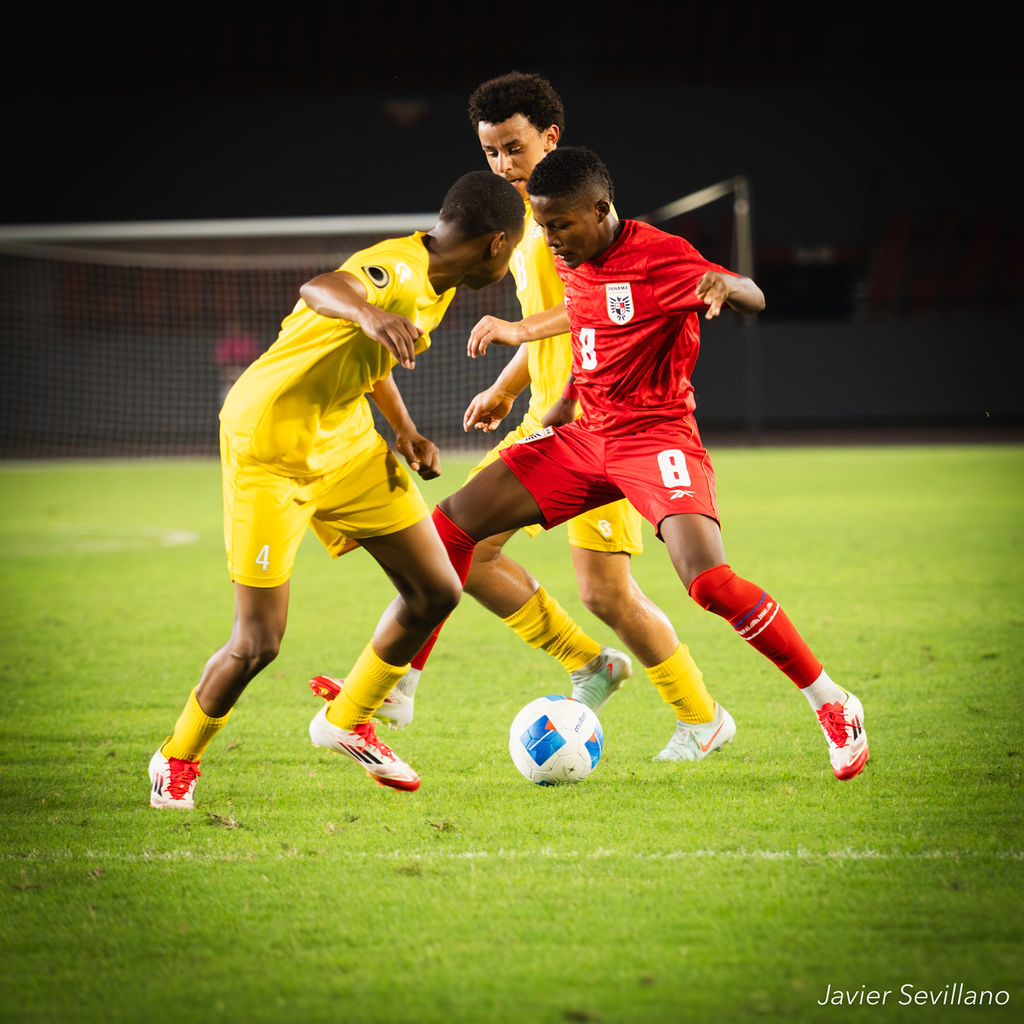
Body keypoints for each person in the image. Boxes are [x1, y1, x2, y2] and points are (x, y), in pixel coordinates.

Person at [392, 146, 869, 782]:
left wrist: (730, 285)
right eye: (544, 226)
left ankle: (833, 703)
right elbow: (593, 322)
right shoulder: (577, 259)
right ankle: (401, 683)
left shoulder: (662, 255)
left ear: (601, 208)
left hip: (656, 437)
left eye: (560, 226)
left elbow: (750, 292)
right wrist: (553, 399)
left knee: (708, 583)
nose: (551, 239)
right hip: (586, 435)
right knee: (449, 528)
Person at [317, 71, 732, 763]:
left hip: (596, 423)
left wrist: (548, 388)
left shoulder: (562, 227)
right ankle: (407, 680)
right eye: (491, 153)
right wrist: (512, 386)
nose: (503, 165)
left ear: (550, 138)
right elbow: (552, 324)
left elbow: (596, 324)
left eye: (514, 148)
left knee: (603, 592)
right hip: (550, 414)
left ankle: (694, 711)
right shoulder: (527, 226)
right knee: (456, 540)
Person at [148, 170, 525, 807]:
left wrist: (404, 429)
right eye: (513, 252)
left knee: (437, 589)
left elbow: (367, 357)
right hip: (271, 446)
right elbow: (324, 287)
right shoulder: (397, 268)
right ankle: (175, 757)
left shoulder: (439, 283)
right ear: (496, 244)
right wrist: (368, 311)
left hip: (346, 440)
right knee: (259, 641)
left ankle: (347, 719)